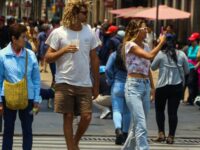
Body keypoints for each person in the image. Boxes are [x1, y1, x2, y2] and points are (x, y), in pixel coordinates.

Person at [45, 1, 99, 150]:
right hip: (64, 81)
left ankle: (74, 143)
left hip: (84, 82)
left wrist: (96, 85)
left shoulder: (89, 31)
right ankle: (71, 148)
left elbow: (94, 59)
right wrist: (64, 50)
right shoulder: (59, 32)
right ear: (74, 13)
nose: (86, 15)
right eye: (83, 12)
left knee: (87, 116)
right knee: (68, 116)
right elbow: (47, 57)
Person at [121, 19, 165, 150]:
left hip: (145, 85)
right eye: (144, 29)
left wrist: (152, 87)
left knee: (138, 125)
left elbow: (148, 68)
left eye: (147, 29)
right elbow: (150, 56)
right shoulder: (130, 45)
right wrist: (161, 43)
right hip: (133, 86)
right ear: (136, 31)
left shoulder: (146, 46)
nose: (147, 31)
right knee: (141, 124)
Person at [0, 23, 41, 150]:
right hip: (8, 98)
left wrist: (36, 100)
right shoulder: (2, 55)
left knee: (27, 130)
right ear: (14, 38)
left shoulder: (31, 55)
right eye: (23, 37)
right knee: (8, 130)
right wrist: (0, 101)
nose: (25, 40)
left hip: (28, 98)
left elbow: (36, 79)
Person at [151, 33, 189, 144]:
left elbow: (153, 67)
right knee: (173, 113)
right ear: (176, 43)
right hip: (176, 87)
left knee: (159, 110)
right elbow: (187, 71)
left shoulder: (161, 54)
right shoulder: (181, 54)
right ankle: (171, 136)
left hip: (162, 86)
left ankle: (161, 134)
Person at [106, 44, 131, 145]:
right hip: (129, 85)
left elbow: (107, 68)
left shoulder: (114, 55)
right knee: (127, 111)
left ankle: (118, 129)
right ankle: (125, 134)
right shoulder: (131, 55)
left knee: (116, 110)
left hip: (117, 84)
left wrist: (110, 79)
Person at [186, 32, 200, 105]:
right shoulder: (189, 48)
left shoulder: (199, 48)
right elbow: (187, 57)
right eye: (191, 41)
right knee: (189, 83)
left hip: (194, 67)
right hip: (188, 67)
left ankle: (192, 98)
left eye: (193, 40)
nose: (191, 42)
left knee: (191, 83)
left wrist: (197, 66)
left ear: (197, 40)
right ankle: (191, 98)